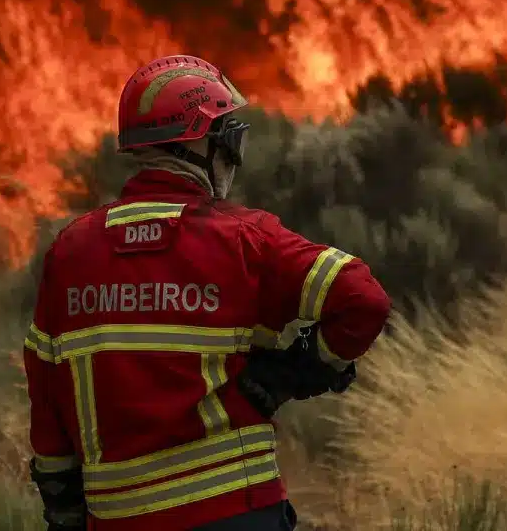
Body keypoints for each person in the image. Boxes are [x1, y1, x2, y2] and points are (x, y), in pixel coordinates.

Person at [24, 55, 394, 530]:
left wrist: (63, 509)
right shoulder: (244, 239)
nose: (233, 154)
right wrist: (296, 371)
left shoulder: (70, 254)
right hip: (236, 512)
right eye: (229, 136)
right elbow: (363, 299)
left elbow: (47, 396)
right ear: (199, 142)